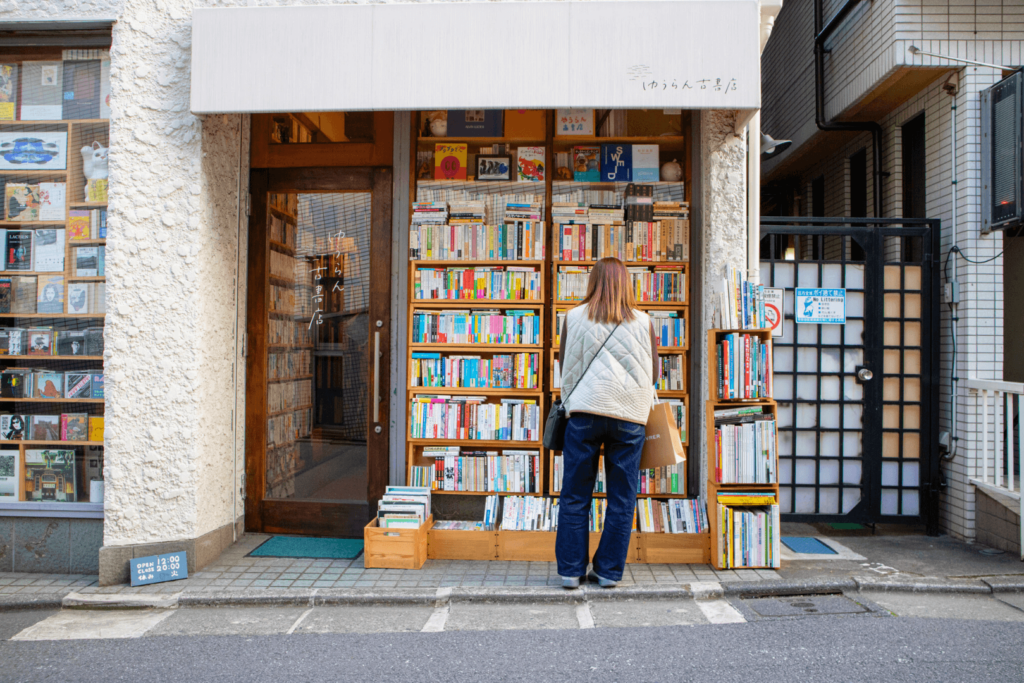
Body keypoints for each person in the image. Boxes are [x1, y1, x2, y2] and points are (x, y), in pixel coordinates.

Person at [556, 257, 660, 589]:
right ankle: (608, 572)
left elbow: (564, 363)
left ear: (593, 281)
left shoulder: (572, 317)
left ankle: (571, 571)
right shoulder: (644, 322)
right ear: (626, 283)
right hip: (629, 416)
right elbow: (655, 373)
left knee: (574, 495)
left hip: (585, 412)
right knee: (621, 498)